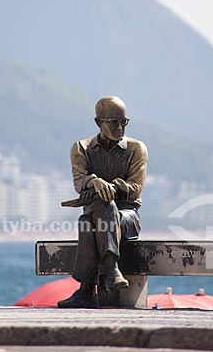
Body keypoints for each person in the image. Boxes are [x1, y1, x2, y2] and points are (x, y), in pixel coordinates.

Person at [58, 96, 148, 308]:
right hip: (98, 220)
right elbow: (79, 183)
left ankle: (86, 290)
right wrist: (94, 181)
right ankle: (111, 271)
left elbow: (135, 189)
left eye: (123, 122)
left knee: (101, 209)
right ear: (98, 122)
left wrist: (112, 187)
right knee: (88, 221)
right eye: (113, 122)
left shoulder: (136, 149)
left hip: (126, 218)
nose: (119, 127)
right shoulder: (81, 148)